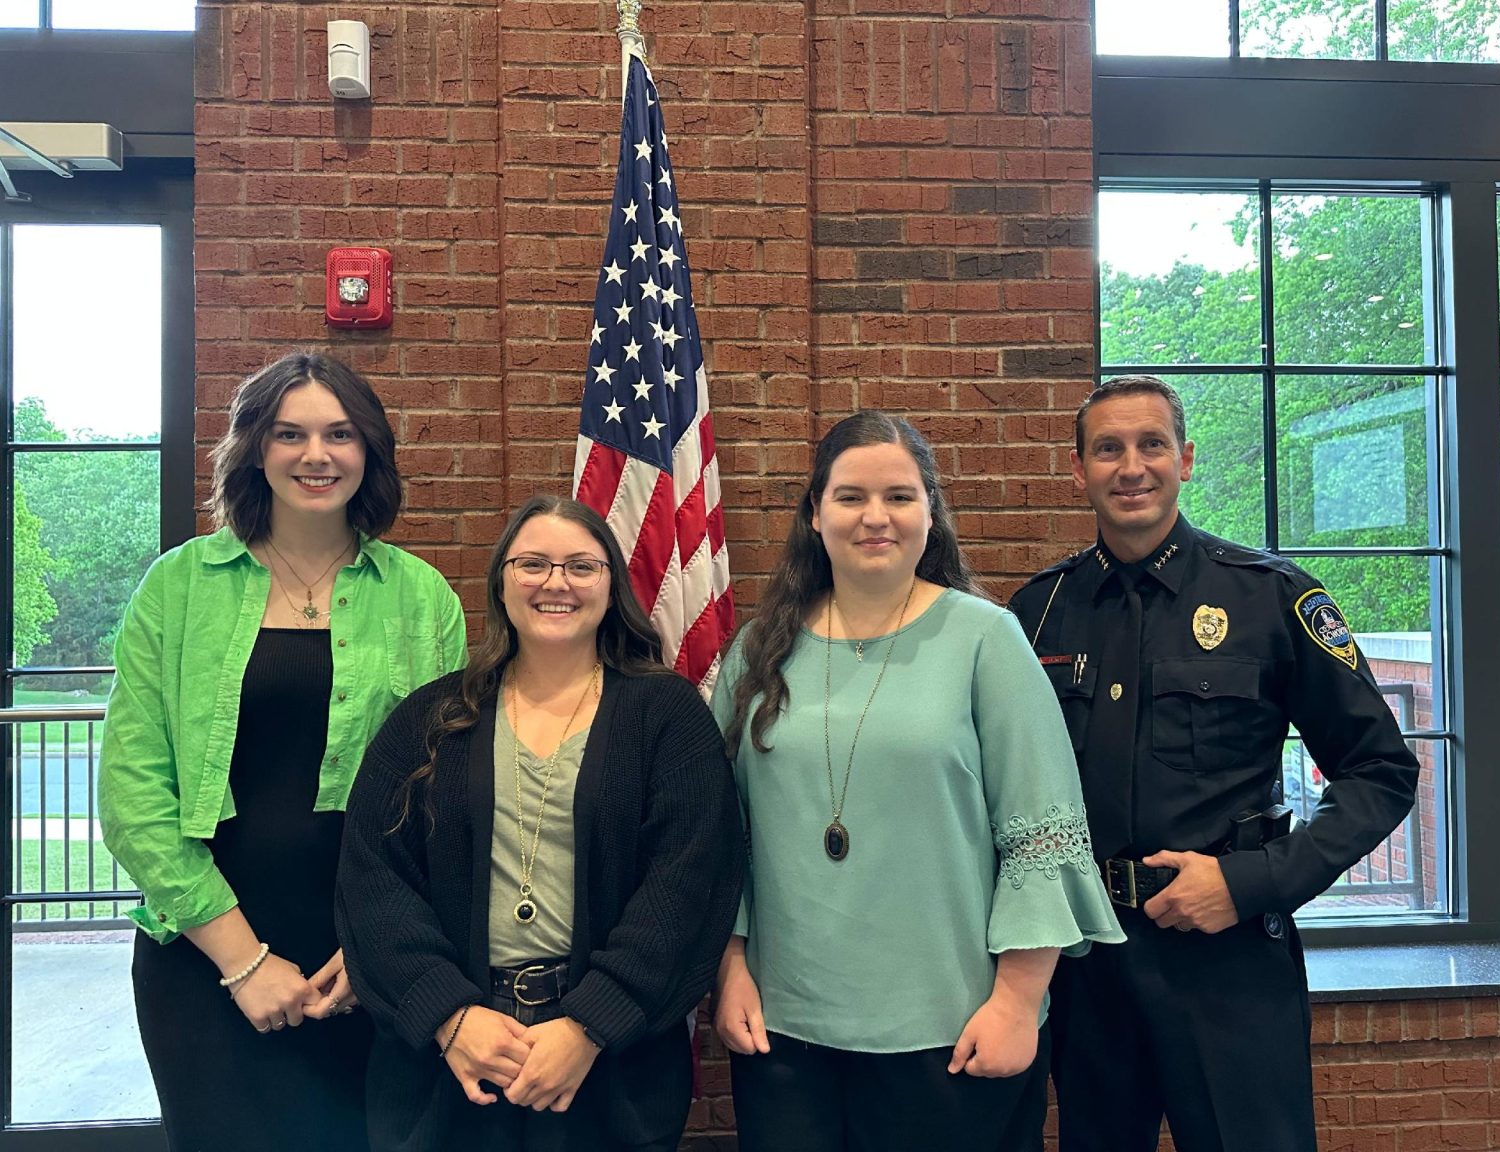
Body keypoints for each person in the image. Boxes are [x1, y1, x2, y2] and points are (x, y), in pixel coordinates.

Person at [1008, 375, 1420, 1152]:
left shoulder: (1270, 597)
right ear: (1078, 471)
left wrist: (1250, 881)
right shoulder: (1038, 614)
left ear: (1186, 459)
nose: (1131, 466)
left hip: (1228, 963)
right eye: (1108, 449)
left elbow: (1382, 771)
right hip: (1088, 965)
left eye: (1151, 444)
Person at [712, 411, 1122, 1152]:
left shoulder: (985, 641)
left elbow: (1042, 834)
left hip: (952, 1029)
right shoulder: (758, 650)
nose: (876, 517)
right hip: (783, 1031)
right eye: (851, 496)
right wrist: (730, 966)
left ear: (929, 512)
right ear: (815, 512)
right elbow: (720, 834)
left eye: (900, 496)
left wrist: (1017, 1001)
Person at [98, 351, 468, 1151]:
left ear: (368, 451)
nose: (316, 455)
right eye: (289, 433)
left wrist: (378, 952)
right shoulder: (177, 587)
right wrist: (241, 962)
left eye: (340, 434)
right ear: (254, 450)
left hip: (371, 961)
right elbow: (133, 796)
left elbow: (445, 796)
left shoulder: (421, 596)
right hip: (204, 958)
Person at [336, 494, 744, 1152]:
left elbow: (688, 883)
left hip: (608, 1069)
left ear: (613, 587)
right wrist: (449, 1015)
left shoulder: (666, 718)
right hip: (455, 1068)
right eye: (533, 563)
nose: (556, 582)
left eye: (581, 567)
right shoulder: (432, 719)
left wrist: (589, 1024)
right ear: (502, 583)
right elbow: (374, 879)